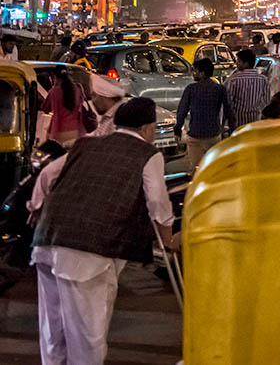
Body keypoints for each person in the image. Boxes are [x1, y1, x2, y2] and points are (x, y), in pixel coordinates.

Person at [28, 98, 177, 365]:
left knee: (54, 328)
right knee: (88, 335)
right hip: (90, 251)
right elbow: (157, 202)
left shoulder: (86, 144)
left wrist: (36, 206)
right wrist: (168, 239)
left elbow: (48, 174)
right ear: (146, 128)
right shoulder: (147, 154)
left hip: (47, 240)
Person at [176, 59, 233, 170]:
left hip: (195, 135)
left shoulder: (191, 89)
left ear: (202, 73)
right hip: (213, 135)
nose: (193, 74)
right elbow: (228, 110)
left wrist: (178, 128)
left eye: (195, 71)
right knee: (214, 169)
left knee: (196, 169)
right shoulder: (219, 89)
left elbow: (182, 110)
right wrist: (231, 128)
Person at [224, 49, 270, 129]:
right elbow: (266, 101)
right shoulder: (263, 79)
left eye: (238, 61)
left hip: (238, 123)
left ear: (245, 63)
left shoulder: (234, 80)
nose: (236, 63)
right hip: (255, 122)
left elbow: (229, 102)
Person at [42, 67, 86, 147]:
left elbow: (45, 108)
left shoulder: (54, 91)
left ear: (55, 77)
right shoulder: (77, 89)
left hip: (58, 131)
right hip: (75, 130)